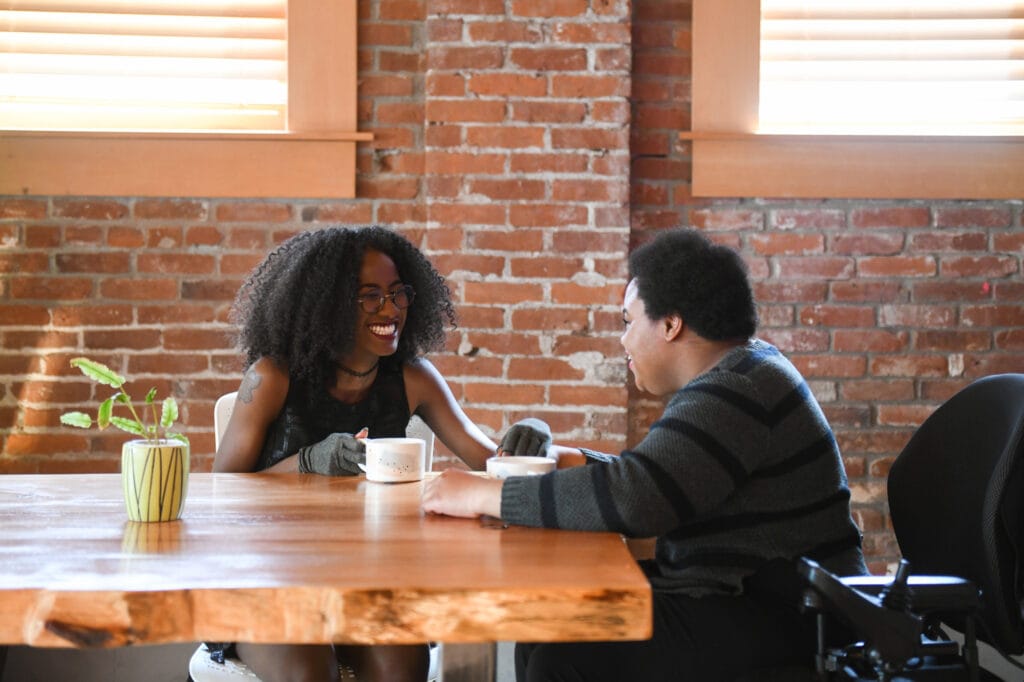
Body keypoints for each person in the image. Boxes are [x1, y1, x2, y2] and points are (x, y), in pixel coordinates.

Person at [422, 228, 868, 681]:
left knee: (563, 660)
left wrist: (480, 495)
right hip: (758, 598)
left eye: (627, 321)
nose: (623, 341)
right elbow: (656, 477)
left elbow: (637, 498)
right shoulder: (743, 370)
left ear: (671, 324)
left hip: (790, 615)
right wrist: (561, 456)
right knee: (546, 629)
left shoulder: (735, 390)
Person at [212, 225, 499, 682]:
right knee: (309, 674)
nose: (389, 309)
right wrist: (306, 463)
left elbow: (488, 458)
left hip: (368, 579)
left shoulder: (413, 378)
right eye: (369, 296)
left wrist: (533, 440)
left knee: (402, 669)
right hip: (269, 577)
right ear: (327, 305)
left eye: (397, 293)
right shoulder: (272, 378)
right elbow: (221, 490)